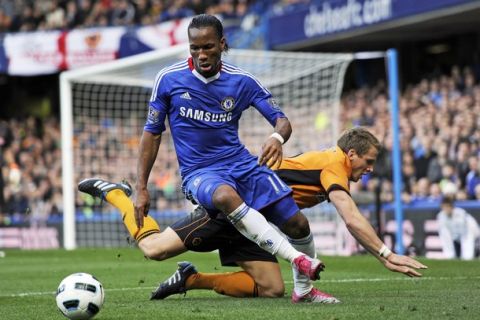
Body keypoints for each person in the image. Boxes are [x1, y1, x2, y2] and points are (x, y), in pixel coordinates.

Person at [111, 13, 332, 303]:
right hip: (200, 174)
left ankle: (304, 291)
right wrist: (141, 187)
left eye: (208, 47)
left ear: (222, 44)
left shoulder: (242, 81)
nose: (201, 54)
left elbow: (282, 121)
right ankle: (298, 259)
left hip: (242, 167)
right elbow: (152, 133)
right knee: (222, 199)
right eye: (195, 48)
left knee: (298, 226)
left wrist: (276, 138)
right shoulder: (168, 79)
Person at [78, 127, 428, 302]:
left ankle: (191, 279)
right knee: (154, 250)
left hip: (262, 223)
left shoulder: (333, 164)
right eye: (367, 162)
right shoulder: (333, 165)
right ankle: (119, 196)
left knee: (272, 289)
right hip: (231, 210)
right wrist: (385, 253)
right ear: (351, 154)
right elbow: (350, 217)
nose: (369, 169)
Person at [437, 195, 480, 260]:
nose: (446, 209)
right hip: (457, 236)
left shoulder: (460, 213)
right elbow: (444, 234)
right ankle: (450, 256)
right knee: (444, 234)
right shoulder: (441, 216)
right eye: (444, 207)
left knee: (468, 257)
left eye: (448, 206)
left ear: (452, 206)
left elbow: (465, 232)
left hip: (473, 233)